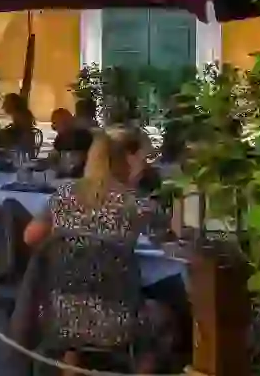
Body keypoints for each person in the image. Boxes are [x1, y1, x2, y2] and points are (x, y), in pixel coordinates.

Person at [23, 131, 162, 373]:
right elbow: (170, 232)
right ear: (122, 162)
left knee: (73, 332)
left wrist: (66, 250)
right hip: (119, 320)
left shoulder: (64, 195)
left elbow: (30, 237)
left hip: (60, 313)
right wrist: (134, 181)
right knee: (161, 320)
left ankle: (72, 364)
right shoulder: (135, 205)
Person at [50, 107, 93, 178]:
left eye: (62, 122)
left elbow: (86, 160)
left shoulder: (83, 136)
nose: (55, 127)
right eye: (54, 124)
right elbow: (54, 156)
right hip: (64, 175)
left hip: (82, 177)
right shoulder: (60, 138)